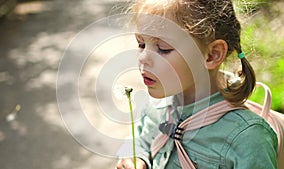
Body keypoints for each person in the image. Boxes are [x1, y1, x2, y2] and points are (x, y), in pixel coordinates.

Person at [116, 0, 278, 168]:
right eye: (141, 44)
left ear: (212, 55)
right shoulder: (156, 106)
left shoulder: (247, 138)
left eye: (163, 48)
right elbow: (140, 140)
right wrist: (135, 158)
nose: (142, 58)